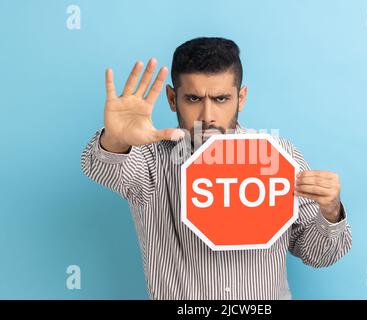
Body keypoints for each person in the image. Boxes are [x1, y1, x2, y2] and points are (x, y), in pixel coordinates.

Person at [81, 37, 352, 299]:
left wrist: (330, 212)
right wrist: (116, 139)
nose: (208, 116)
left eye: (221, 99)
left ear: (241, 98)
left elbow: (319, 255)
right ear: (173, 99)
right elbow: (103, 167)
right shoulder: (151, 160)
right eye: (194, 99)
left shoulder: (279, 156)